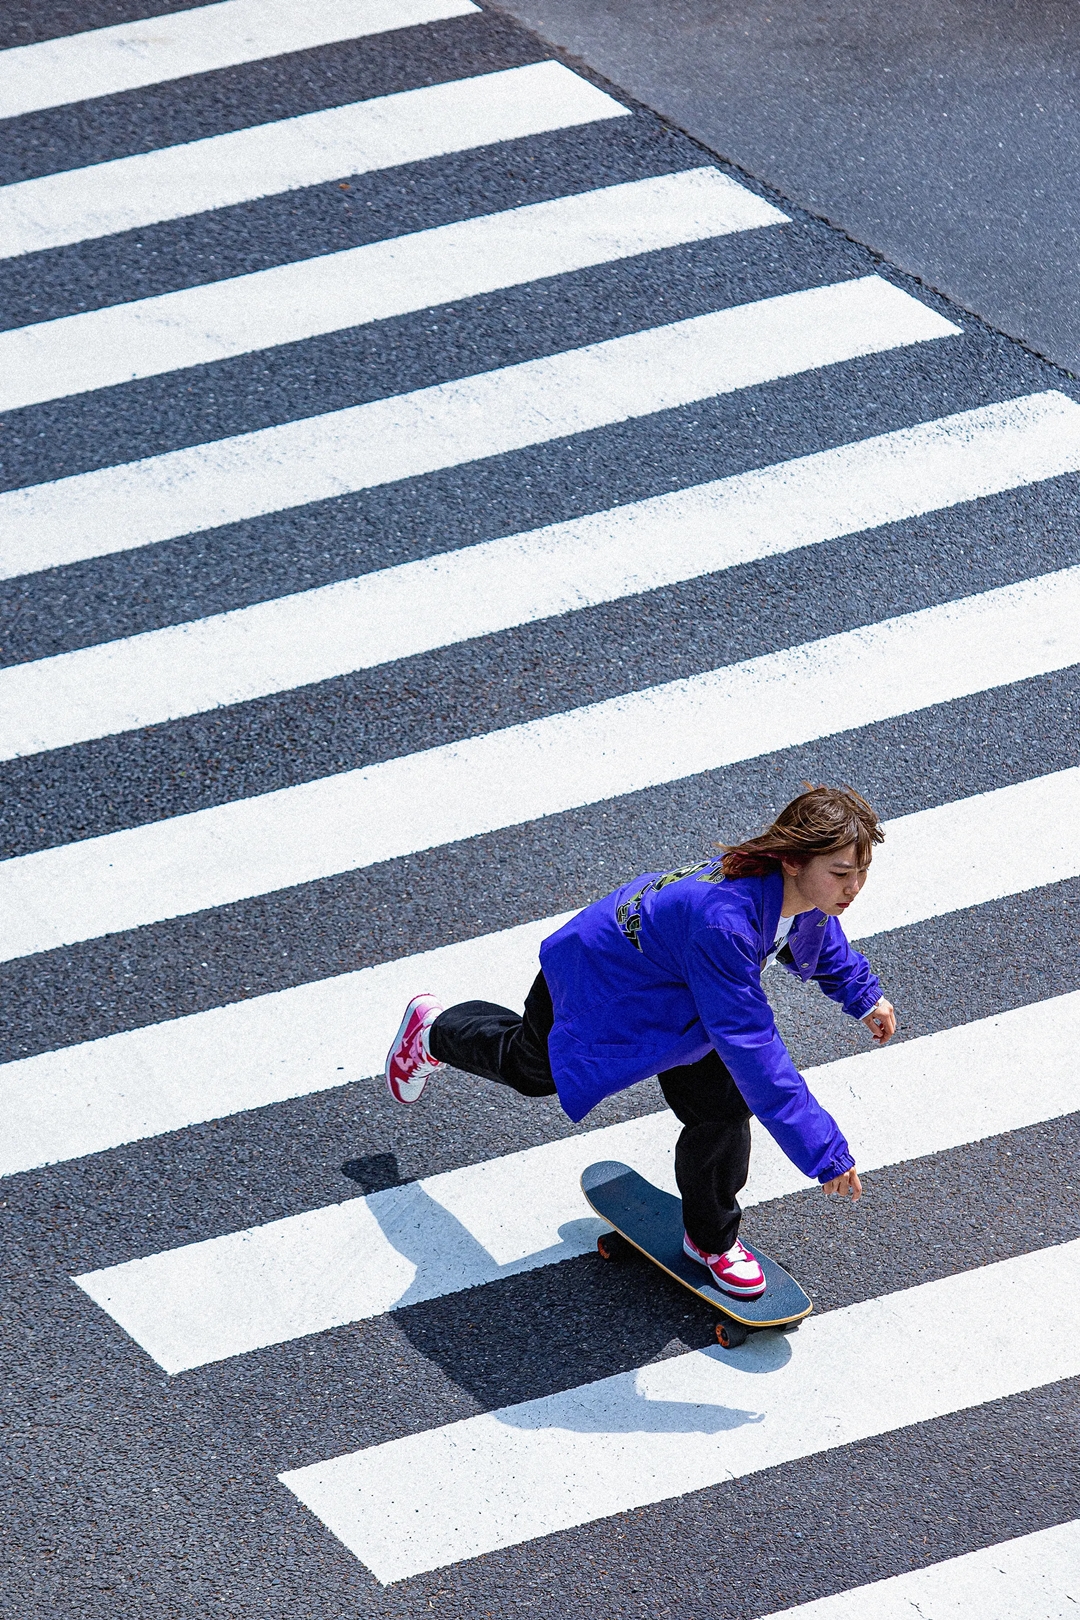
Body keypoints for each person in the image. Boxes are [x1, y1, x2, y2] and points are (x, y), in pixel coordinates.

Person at [383, 785, 896, 1300]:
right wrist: (823, 1149)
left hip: (678, 992)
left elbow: (812, 929)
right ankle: (434, 1030)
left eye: (860, 872)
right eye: (840, 873)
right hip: (596, 980)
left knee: (721, 1108)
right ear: (791, 859)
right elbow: (753, 1047)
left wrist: (862, 994)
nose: (854, 887)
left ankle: (710, 1242)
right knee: (530, 1070)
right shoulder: (726, 923)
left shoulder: (797, 894)